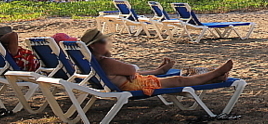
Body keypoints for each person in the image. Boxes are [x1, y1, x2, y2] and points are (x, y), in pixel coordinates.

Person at [81, 29, 233, 96]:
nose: (107, 43)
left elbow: (129, 73)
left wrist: (155, 71)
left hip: (131, 83)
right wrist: (130, 73)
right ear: (93, 46)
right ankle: (216, 73)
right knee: (178, 80)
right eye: (103, 41)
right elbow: (133, 69)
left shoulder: (95, 62)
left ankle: (215, 77)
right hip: (137, 86)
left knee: (176, 79)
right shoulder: (106, 62)